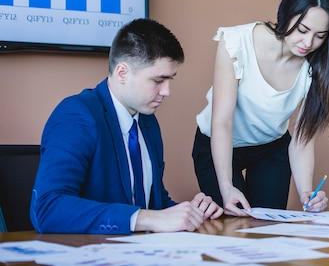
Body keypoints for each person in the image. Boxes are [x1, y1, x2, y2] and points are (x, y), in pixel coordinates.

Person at [30, 18, 223, 234]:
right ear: (122, 73)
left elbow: (153, 204)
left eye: (170, 80)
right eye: (158, 81)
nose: (167, 91)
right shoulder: (77, 115)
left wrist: (190, 213)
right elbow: (47, 208)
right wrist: (147, 218)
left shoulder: (147, 121)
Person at [192, 0, 329, 216]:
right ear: (286, 13)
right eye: (303, 29)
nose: (308, 43)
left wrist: (307, 192)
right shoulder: (236, 42)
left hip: (270, 148)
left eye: (320, 35)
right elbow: (222, 121)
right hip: (219, 143)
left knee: (268, 227)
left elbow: (302, 137)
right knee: (230, 225)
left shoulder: (316, 65)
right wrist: (227, 188)